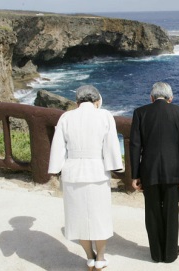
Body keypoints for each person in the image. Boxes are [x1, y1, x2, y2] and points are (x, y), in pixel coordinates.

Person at [48, 85, 123, 271]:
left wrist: (55, 168)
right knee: (100, 218)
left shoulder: (66, 117)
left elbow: (58, 147)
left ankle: (90, 257)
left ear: (77, 102)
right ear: (96, 100)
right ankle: (101, 258)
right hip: (97, 171)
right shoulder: (105, 115)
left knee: (78, 217)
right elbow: (111, 146)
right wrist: (114, 166)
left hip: (72, 171)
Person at [129, 82, 179, 263]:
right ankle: (170, 253)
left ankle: (156, 254)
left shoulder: (140, 113)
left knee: (152, 211)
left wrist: (135, 175)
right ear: (170, 98)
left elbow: (135, 146)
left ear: (151, 98)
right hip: (174, 171)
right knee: (172, 212)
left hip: (149, 171)